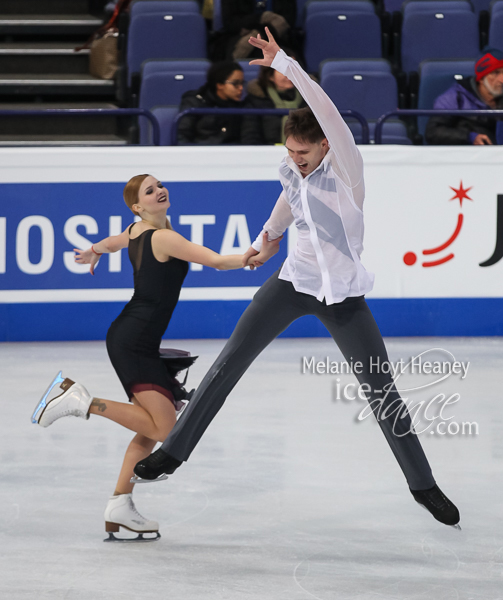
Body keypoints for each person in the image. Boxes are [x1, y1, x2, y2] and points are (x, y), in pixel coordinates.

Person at [134, 29, 461, 529]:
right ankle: (173, 454)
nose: (295, 159)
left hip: (343, 296)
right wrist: (266, 239)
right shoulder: (293, 167)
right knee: (227, 365)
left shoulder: (347, 166)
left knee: (381, 389)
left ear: (326, 146)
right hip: (291, 284)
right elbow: (289, 202)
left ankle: (424, 485)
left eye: (303, 153)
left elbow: (324, 107)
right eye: (289, 152)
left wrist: (283, 64)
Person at [32, 173, 280, 542]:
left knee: (148, 425)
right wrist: (253, 257)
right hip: (134, 340)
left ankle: (120, 505)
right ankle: (79, 400)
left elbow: (116, 241)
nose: (159, 190)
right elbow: (215, 261)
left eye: (159, 185)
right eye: (150, 191)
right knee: (165, 429)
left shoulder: (136, 230)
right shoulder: (164, 237)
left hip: (135, 337)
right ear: (138, 206)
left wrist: (95, 250)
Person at [425, 48, 503, 145]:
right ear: (482, 78)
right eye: (495, 73)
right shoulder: (456, 97)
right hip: (466, 156)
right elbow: (433, 132)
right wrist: (469, 137)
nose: (502, 80)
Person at [241, 49, 305, 145]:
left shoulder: (309, 99)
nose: (290, 75)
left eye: (293, 69)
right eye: (283, 70)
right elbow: (250, 137)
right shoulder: (255, 101)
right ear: (270, 75)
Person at [177, 61, 245, 145]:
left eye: (242, 83)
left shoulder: (242, 106)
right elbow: (182, 135)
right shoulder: (195, 102)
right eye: (235, 84)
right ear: (219, 84)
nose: (241, 88)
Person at [222, 0, 297, 60]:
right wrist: (261, 18)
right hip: (240, 36)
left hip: (277, 37)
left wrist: (257, 33)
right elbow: (231, 23)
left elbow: (286, 22)